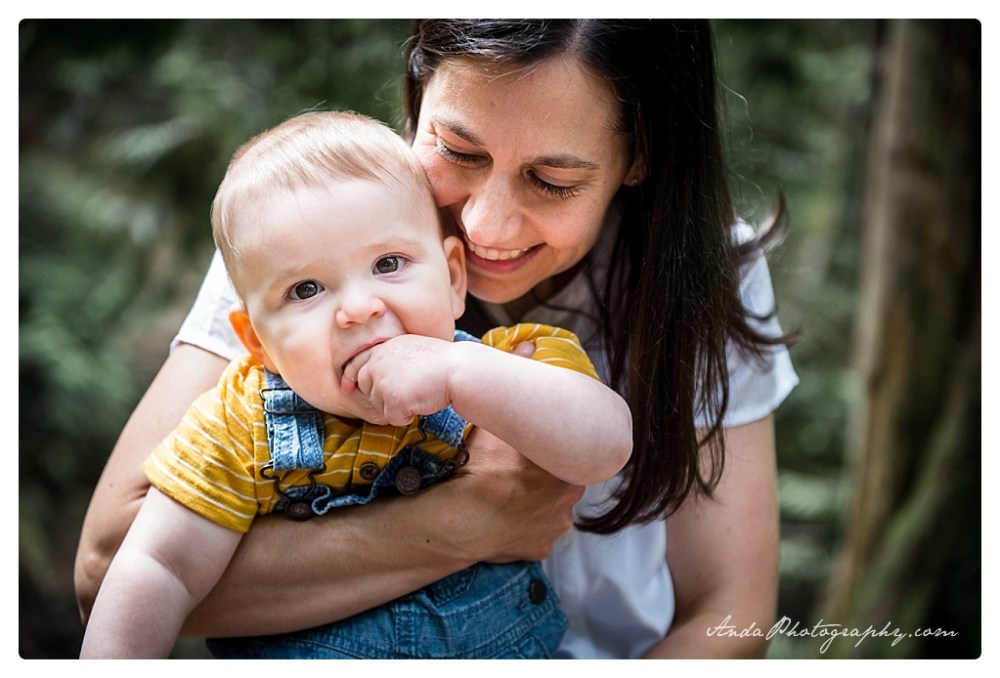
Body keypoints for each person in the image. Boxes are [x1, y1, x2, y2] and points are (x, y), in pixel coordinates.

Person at [75, 20, 798, 658]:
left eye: (550, 181)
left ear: (640, 158)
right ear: (419, 95)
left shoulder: (693, 280)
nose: (485, 227)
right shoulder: (291, 235)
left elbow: (728, 611)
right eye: (458, 149)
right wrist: (465, 526)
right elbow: (114, 570)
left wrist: (459, 375)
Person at [79, 110, 631, 659]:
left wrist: (462, 374)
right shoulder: (238, 426)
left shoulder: (515, 361)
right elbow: (159, 567)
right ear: (257, 343)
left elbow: (604, 448)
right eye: (305, 289)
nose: (359, 308)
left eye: (389, 263)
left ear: (454, 278)